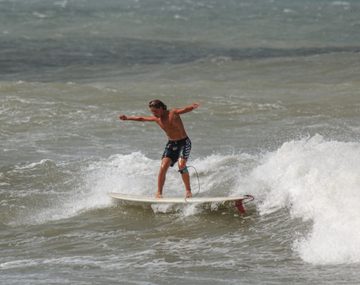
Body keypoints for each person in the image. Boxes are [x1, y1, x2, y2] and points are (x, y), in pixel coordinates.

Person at [119, 100, 201, 198]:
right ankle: (159, 193)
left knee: (181, 165)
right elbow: (142, 118)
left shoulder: (173, 113)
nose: (154, 113)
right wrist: (127, 118)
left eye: (155, 111)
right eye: (152, 112)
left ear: (161, 108)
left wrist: (193, 106)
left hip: (183, 143)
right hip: (171, 144)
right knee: (163, 166)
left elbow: (184, 109)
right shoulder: (157, 119)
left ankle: (188, 191)